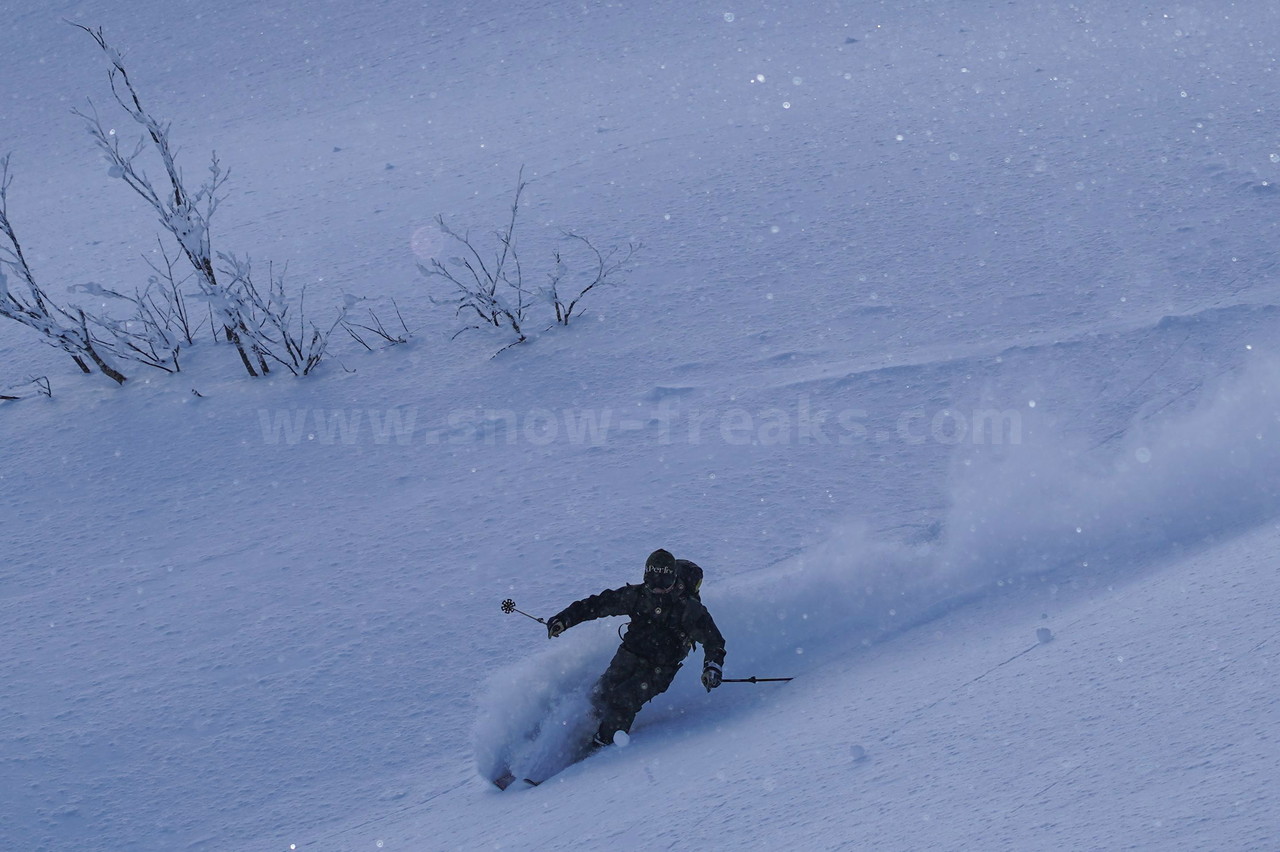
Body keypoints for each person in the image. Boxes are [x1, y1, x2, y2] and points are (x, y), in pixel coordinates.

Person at [546, 548, 726, 748]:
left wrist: (712, 667)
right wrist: (565, 618)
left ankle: (601, 746)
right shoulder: (638, 595)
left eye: (663, 582)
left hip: (660, 669)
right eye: (651, 580)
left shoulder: (689, 609)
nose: (657, 588)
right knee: (600, 694)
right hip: (629, 655)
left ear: (674, 580)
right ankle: (580, 733)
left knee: (624, 700)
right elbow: (597, 605)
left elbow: (714, 641)